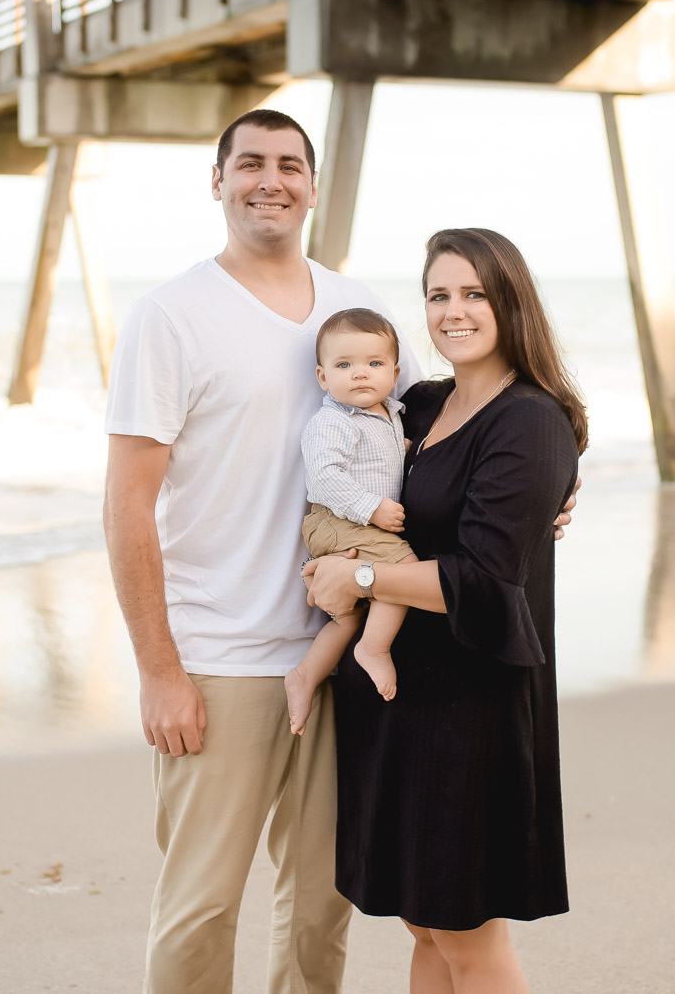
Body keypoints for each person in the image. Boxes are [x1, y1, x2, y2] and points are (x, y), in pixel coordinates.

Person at [102, 111, 575, 994]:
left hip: (348, 663)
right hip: (224, 658)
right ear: (217, 181)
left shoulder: (356, 306)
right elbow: (126, 501)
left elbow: (459, 435)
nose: (269, 181)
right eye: (249, 164)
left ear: (315, 186)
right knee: (203, 906)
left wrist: (557, 481)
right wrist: (158, 666)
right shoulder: (172, 315)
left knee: (322, 906)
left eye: (290, 165)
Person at [304, 227, 588, 994]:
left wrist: (356, 573)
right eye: (438, 295)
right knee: (425, 923)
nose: (453, 311)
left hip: (472, 704)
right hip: (402, 696)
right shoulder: (423, 403)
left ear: (511, 302)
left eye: (474, 293)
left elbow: (487, 580)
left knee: (466, 933)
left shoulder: (529, 420)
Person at [285, 307, 420, 736]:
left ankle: (305, 674)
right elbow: (325, 479)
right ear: (323, 378)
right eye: (344, 365)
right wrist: (371, 508)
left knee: (348, 614)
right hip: (339, 519)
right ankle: (374, 650)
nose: (360, 374)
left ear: (394, 372)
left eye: (374, 364)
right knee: (405, 572)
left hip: (353, 525)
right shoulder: (332, 422)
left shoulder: (389, 414)